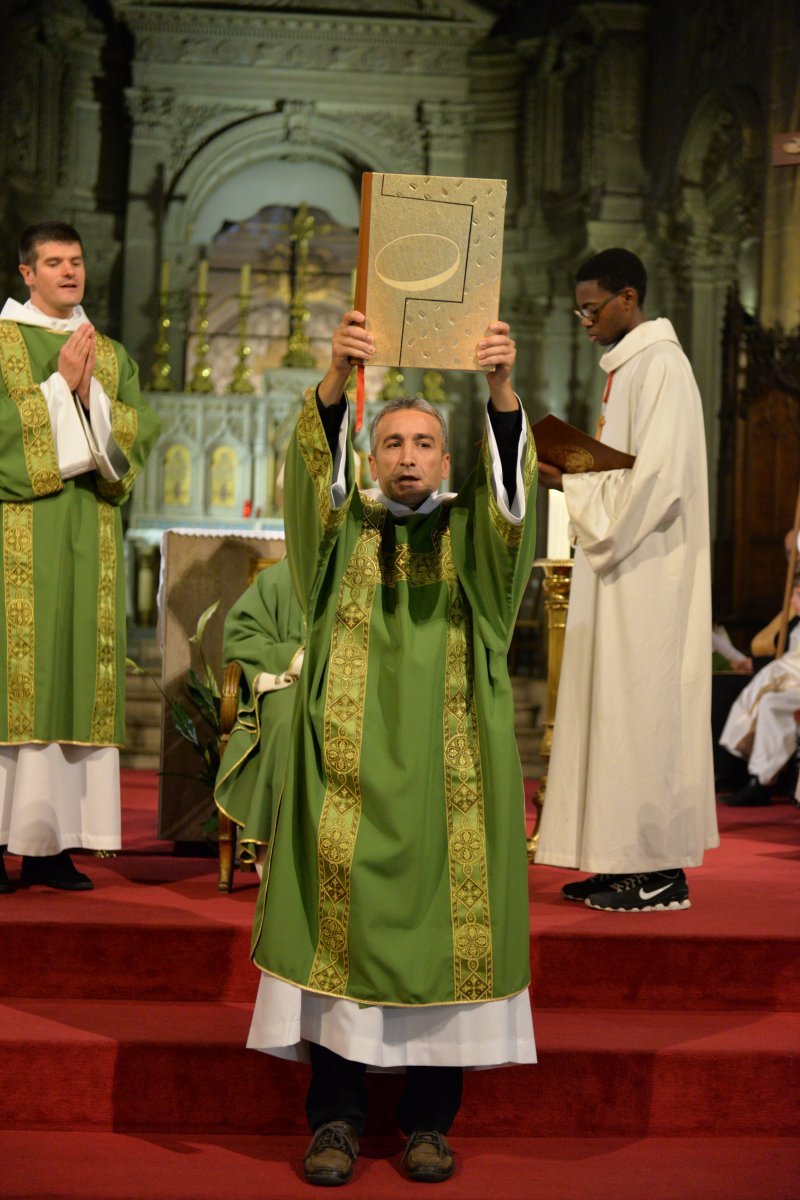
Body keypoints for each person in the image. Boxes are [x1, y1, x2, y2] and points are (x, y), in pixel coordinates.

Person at [246, 310, 538, 1185]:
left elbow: (512, 503)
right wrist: (336, 377)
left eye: (423, 443)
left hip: (453, 789)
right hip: (348, 782)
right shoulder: (342, 541)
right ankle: (334, 1120)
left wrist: (499, 389)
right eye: (393, 444)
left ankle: (428, 1124)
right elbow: (312, 494)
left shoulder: (474, 543)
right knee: (340, 957)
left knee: (448, 947)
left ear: (449, 462)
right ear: (370, 460)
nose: (408, 457)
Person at [534, 247, 718, 912]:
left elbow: (660, 484)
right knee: (612, 713)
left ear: (628, 300)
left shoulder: (663, 365)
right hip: (620, 567)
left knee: (642, 713)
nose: (584, 320)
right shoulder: (631, 367)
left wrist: (574, 483)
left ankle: (659, 869)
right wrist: (578, 478)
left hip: (648, 575)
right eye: (579, 309)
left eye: (592, 307)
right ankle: (618, 862)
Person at [0, 221, 159, 893]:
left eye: (77, 261)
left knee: (71, 681)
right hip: (16, 545)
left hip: (87, 539)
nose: (70, 272)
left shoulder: (112, 353)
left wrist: (88, 392)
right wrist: (59, 389)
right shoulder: (2, 344)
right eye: (53, 262)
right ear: (26, 273)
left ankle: (51, 846)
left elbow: (133, 442)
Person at [215, 556, 305, 871]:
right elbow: (242, 636)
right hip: (294, 685)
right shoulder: (278, 579)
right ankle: (280, 859)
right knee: (285, 717)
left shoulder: (375, 571)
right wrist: (295, 659)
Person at [718, 579, 800, 806]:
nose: (793, 601)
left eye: (798, 594)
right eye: (794, 594)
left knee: (771, 704)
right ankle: (760, 776)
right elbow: (785, 655)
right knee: (765, 700)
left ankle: (763, 780)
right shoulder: (795, 623)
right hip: (792, 682)